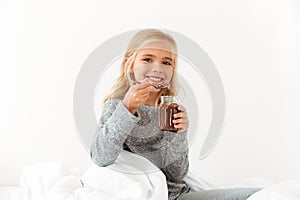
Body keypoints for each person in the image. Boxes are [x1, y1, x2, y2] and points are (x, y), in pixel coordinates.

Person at [90, 29, 260, 200]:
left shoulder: (170, 110)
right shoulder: (117, 106)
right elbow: (101, 157)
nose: (157, 68)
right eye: (147, 59)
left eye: (166, 62)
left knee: (259, 195)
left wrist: (179, 135)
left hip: (177, 195)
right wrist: (127, 109)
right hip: (147, 194)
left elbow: (177, 174)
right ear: (130, 62)